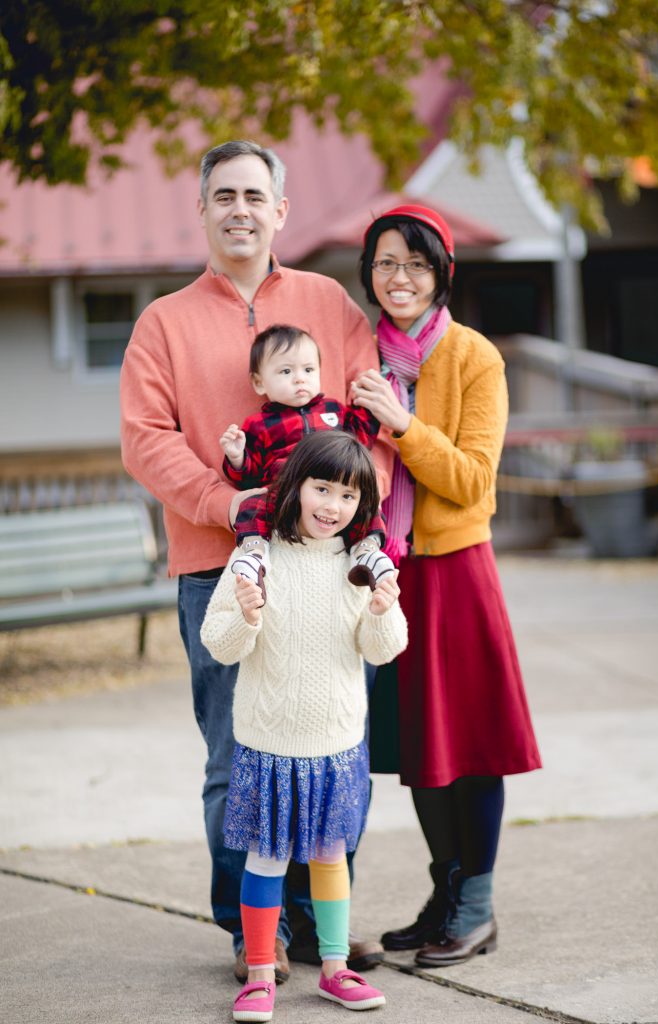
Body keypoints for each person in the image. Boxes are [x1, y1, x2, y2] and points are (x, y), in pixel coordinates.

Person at [119, 140, 393, 982]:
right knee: (234, 757)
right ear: (201, 210)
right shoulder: (162, 321)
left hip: (330, 571)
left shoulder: (327, 304)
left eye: (255, 195)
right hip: (218, 566)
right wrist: (224, 501)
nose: (240, 208)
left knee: (335, 743)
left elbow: (370, 427)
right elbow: (145, 440)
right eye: (223, 194)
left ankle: (323, 927)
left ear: (281, 211)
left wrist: (359, 521)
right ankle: (253, 933)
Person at [350, 204, 542, 967]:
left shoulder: (472, 357)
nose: (399, 278)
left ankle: (478, 905)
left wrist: (400, 423)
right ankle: (444, 887)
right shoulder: (357, 356)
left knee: (472, 742)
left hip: (456, 571)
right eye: (386, 263)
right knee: (417, 744)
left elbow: (471, 481)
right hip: (385, 576)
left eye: (416, 264)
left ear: (441, 275)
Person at [200, 431, 408, 1022]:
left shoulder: (359, 566)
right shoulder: (257, 557)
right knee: (265, 860)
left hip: (334, 745)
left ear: (361, 505)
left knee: (328, 858)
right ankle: (261, 975)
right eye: (322, 488)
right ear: (293, 488)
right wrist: (246, 614)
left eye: (348, 496)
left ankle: (336, 970)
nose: (332, 506)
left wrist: (382, 608)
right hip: (269, 744)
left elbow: (385, 649)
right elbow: (219, 642)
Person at [220, 322, 395, 598]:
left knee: (365, 503)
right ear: (259, 382)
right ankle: (255, 554)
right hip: (286, 495)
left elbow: (359, 440)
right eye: (286, 371)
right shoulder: (259, 425)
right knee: (251, 503)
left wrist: (365, 404)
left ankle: (367, 552)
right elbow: (249, 477)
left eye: (308, 370)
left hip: (331, 492)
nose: (300, 378)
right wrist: (237, 456)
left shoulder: (334, 411)